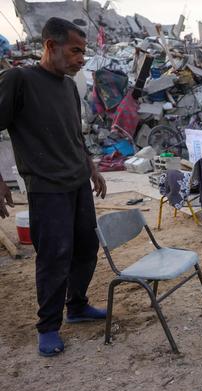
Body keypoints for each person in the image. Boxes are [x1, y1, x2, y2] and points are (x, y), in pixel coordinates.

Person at [0, 17, 108, 357]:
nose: (81, 59)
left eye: (83, 52)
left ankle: (76, 306)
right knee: (54, 256)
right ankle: (48, 326)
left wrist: (93, 170)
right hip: (46, 188)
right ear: (51, 45)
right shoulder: (19, 80)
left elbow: (75, 136)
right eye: (75, 51)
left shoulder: (67, 86)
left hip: (78, 182)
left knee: (87, 247)